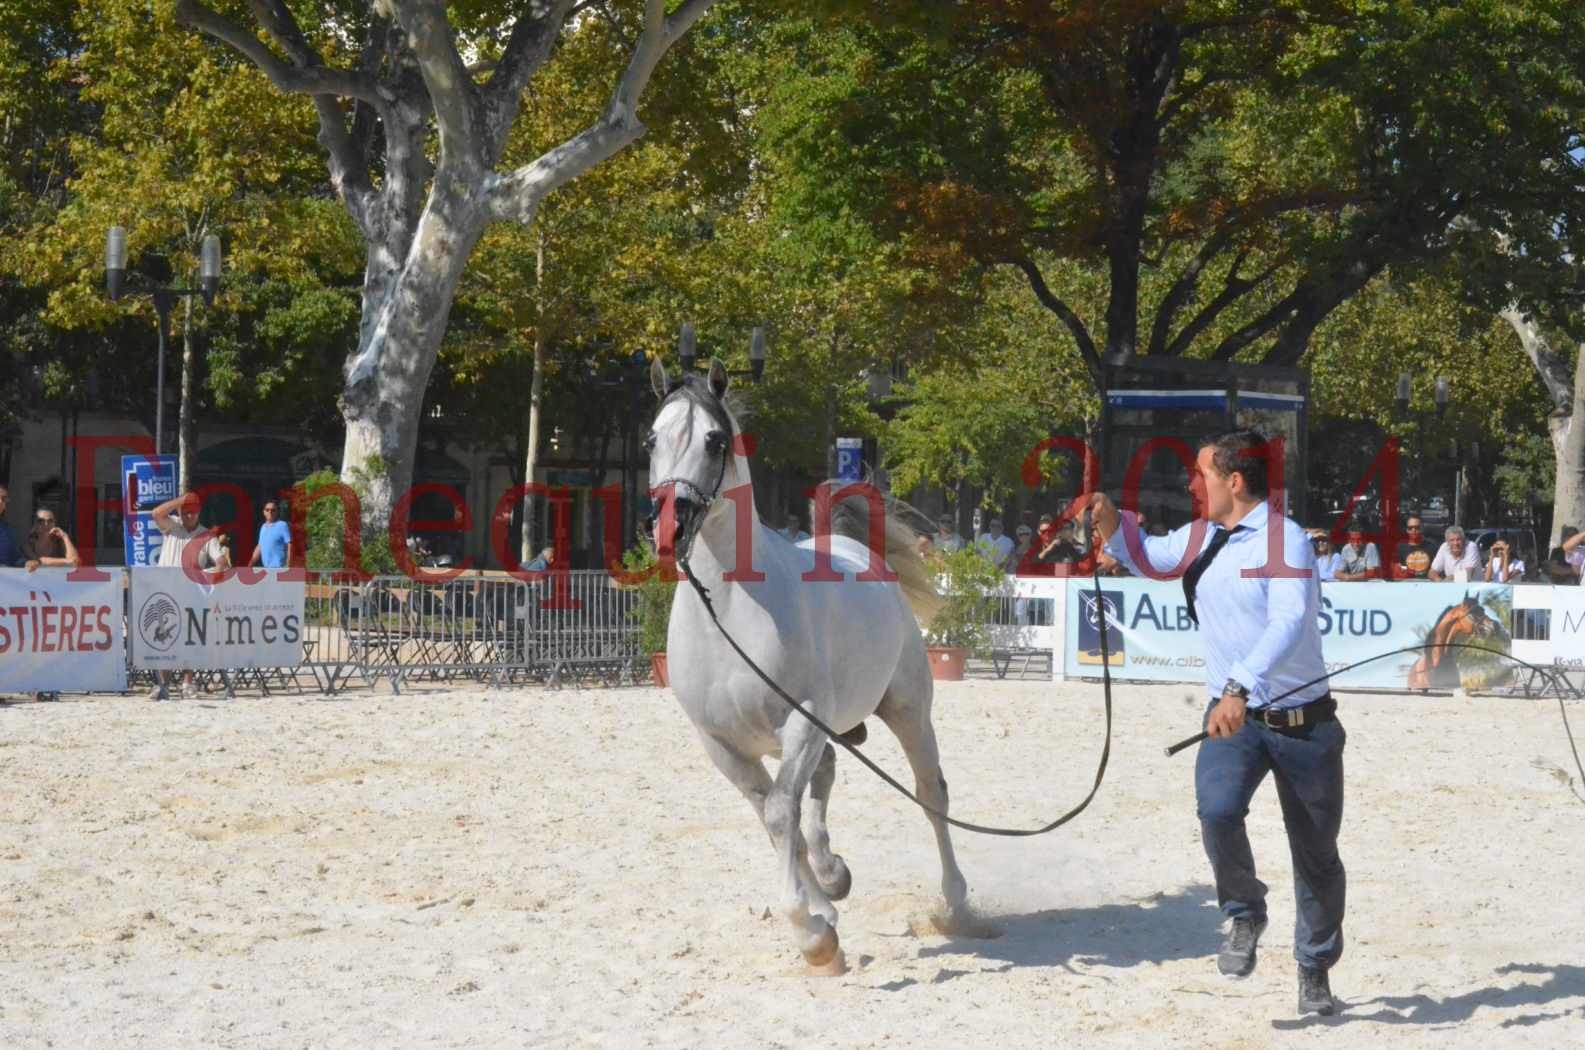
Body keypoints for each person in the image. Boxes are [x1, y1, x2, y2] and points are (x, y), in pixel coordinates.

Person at [1089, 430, 1346, 1017]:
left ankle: (1314, 967)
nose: (1191, 483)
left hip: (1303, 724)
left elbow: (1286, 623)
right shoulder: (1202, 537)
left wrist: (1239, 685)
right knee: (1218, 811)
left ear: (1233, 481)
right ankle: (1243, 912)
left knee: (1316, 856)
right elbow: (1151, 555)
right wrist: (1109, 520)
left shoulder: (1288, 542)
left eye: (1201, 473)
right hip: (1234, 719)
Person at [148, 492, 231, 700]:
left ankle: (187, 683)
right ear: (180, 512)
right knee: (166, 638)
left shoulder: (206, 536)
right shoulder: (172, 526)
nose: (190, 517)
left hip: (192, 592)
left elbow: (221, 560)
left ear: (199, 513)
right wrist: (181, 501)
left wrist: (217, 568)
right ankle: (162, 684)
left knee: (190, 639)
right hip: (166, 590)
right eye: (186, 513)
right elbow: (156, 513)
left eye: (194, 513)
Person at [248, 499, 292, 568]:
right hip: (267, 569)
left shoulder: (282, 525)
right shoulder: (263, 527)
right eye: (267, 510)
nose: (270, 512)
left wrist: (288, 565)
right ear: (264, 512)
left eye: (273, 510)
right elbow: (260, 546)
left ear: (277, 512)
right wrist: (251, 564)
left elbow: (289, 545)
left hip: (280, 568)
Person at [1393, 516, 1436, 580]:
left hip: (1427, 583)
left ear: (1422, 528)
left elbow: (1437, 569)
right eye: (1410, 528)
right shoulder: (1400, 547)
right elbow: (1395, 569)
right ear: (1406, 530)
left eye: (1417, 527)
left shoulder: (1432, 546)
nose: (1413, 530)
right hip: (1406, 583)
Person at [0, 485, 24, 569]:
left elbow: (15, 559)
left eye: (3, 499)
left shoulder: (9, 531)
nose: (0, 502)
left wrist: (27, 563)